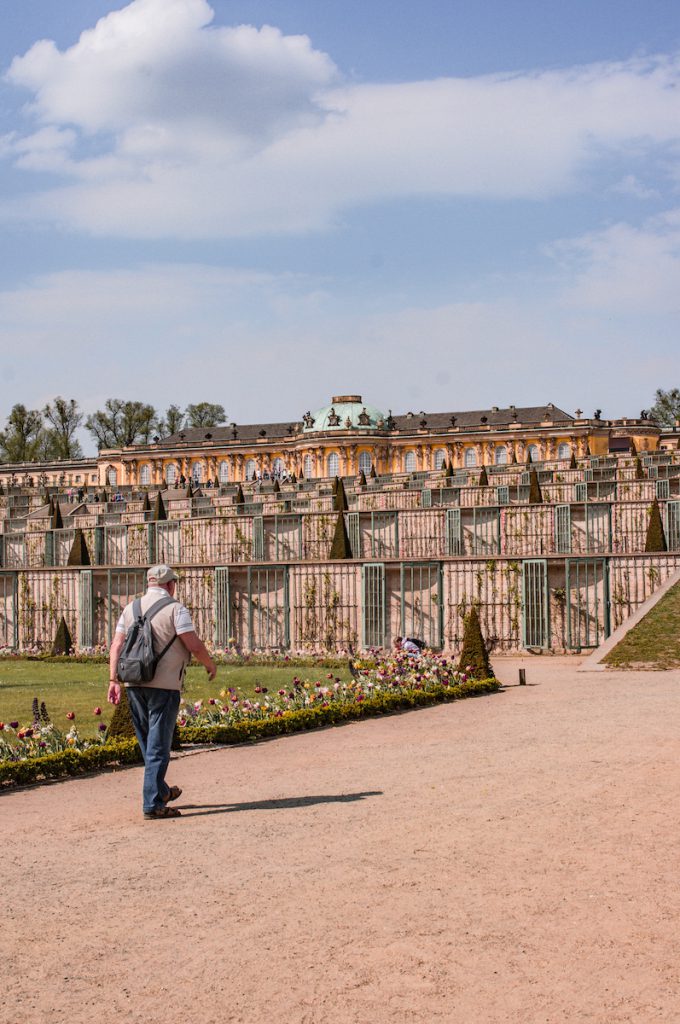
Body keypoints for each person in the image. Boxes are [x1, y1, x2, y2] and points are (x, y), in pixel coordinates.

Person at [107, 564, 217, 820]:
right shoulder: (176, 609)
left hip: (133, 682)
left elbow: (116, 645)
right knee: (157, 746)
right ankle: (153, 804)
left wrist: (113, 680)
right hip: (164, 685)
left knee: (148, 744)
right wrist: (209, 663)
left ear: (149, 583)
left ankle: (162, 791)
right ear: (170, 585)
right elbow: (192, 642)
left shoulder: (130, 609)